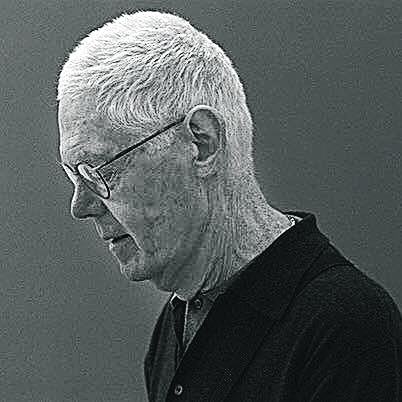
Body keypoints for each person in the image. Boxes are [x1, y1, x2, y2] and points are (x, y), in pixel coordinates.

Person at [57, 11, 402, 402]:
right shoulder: (175, 326)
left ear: (202, 143)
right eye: (73, 175)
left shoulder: (346, 329)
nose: (80, 206)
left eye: (99, 171)